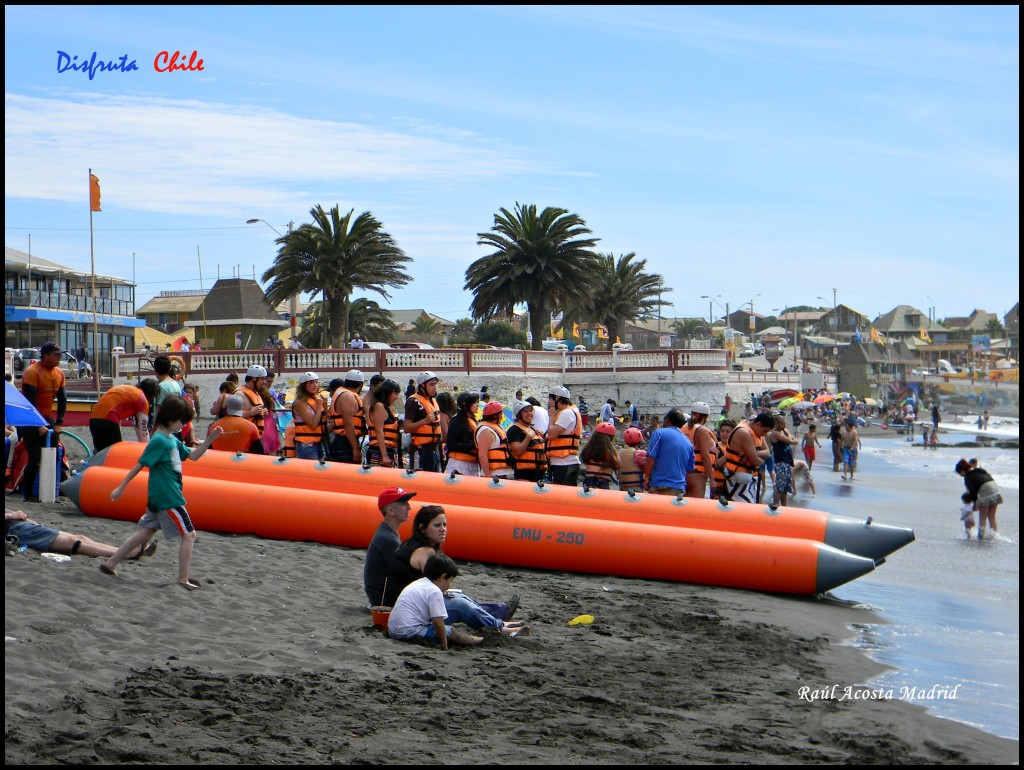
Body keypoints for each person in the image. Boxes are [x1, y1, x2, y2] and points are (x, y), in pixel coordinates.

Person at [102, 396, 224, 590]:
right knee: (189, 535)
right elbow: (140, 464)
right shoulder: (160, 440)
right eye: (181, 421)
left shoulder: (171, 440)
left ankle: (110, 563)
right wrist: (121, 487)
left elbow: (193, 455)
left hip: (160, 497)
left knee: (146, 531)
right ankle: (183, 579)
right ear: (171, 418)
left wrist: (210, 439)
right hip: (168, 497)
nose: (183, 425)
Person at [384, 505, 520, 630]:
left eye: (444, 524)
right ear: (423, 528)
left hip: (408, 603)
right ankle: (499, 626)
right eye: (437, 525)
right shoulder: (424, 552)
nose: (443, 529)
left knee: (458, 596)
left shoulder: (415, 544)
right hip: (408, 609)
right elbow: (434, 587)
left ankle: (500, 613)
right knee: (459, 604)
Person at [387, 554, 486, 649]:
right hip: (410, 632)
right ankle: (479, 641)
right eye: (450, 580)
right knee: (450, 631)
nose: (450, 584)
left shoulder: (418, 583)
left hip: (393, 630)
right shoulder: (434, 591)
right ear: (443, 577)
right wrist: (444, 644)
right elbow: (438, 621)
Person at [18, 341, 67, 502]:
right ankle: (28, 495)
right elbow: (29, 402)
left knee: (54, 452)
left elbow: (62, 399)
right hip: (29, 419)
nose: (59, 357)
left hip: (47, 417)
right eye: (56, 355)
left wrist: (59, 422)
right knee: (36, 455)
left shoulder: (59, 373)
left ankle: (53, 489)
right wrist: (38, 424)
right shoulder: (33, 372)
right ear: (46, 356)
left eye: (60, 354)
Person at [6, 508, 155, 560]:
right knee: (73, 542)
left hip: (21, 525)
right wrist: (12, 516)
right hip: (16, 530)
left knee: (81, 537)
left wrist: (17, 515)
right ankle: (124, 554)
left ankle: (124, 550)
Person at [364, 486, 415, 607]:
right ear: (391, 511)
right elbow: (406, 573)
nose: (409, 507)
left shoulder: (386, 533)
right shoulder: (389, 539)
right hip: (383, 602)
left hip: (380, 598)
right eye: (404, 503)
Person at [89, 380, 159, 451]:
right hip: (108, 420)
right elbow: (143, 430)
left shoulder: (129, 390)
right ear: (151, 395)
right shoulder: (142, 399)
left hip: (93, 419)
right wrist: (148, 451)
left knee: (100, 453)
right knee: (114, 453)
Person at [722, 412, 774, 503]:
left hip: (746, 478)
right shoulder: (744, 432)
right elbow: (756, 462)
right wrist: (758, 459)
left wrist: (753, 454)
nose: (765, 434)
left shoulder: (757, 433)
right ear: (758, 424)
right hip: (737, 477)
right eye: (765, 431)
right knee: (743, 508)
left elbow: (767, 452)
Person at [643, 409, 694, 496]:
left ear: (667, 420)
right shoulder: (688, 443)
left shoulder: (659, 433)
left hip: (659, 485)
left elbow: (651, 457)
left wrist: (646, 478)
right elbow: (689, 469)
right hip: (678, 489)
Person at [404, 372, 443, 473]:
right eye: (431, 385)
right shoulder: (413, 401)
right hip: (421, 451)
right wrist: (425, 421)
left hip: (434, 450)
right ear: (422, 386)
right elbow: (406, 428)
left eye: (435, 384)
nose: (434, 387)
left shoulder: (433, 401)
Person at [955, 459, 1002, 540]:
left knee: (983, 516)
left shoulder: (968, 477)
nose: (960, 475)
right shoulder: (979, 470)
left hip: (985, 489)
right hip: (994, 487)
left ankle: (981, 536)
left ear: (962, 471)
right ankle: (994, 535)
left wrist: (975, 503)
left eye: (959, 473)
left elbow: (973, 492)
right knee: (992, 516)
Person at [287, 372, 328, 460]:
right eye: (311, 383)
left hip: (319, 442)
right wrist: (320, 406)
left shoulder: (315, 401)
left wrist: (324, 406)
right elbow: (313, 424)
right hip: (307, 445)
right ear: (304, 386)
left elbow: (323, 420)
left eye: (316, 382)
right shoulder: (300, 403)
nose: (315, 385)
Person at [546, 386, 582, 486]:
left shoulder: (567, 413)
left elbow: (552, 435)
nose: (549, 402)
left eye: (550, 398)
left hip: (565, 463)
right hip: (563, 463)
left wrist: (552, 416)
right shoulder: (569, 412)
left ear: (557, 398)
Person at [681, 402, 716, 499]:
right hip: (697, 475)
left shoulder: (682, 428)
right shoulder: (701, 430)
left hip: (682, 474)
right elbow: (705, 456)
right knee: (694, 508)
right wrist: (712, 479)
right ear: (705, 417)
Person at [506, 400, 547, 483]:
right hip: (524, 474)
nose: (529, 414)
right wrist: (528, 437)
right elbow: (517, 451)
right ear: (519, 415)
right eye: (525, 411)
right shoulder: (514, 430)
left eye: (531, 411)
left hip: (539, 474)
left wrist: (545, 437)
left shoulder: (532, 429)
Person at [366, 379, 403, 468]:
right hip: (378, 452)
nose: (397, 397)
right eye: (395, 394)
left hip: (386, 450)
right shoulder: (379, 406)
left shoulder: (387, 408)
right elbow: (379, 431)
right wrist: (384, 455)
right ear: (387, 393)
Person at [444, 392, 481, 477]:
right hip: (459, 464)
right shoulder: (456, 420)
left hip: (473, 464)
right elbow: (451, 444)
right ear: (466, 405)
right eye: (474, 403)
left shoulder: (473, 420)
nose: (477, 405)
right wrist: (473, 445)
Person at [476, 402, 513, 480]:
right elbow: (482, 455)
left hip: (502, 474)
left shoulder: (494, 428)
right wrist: (488, 477)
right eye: (501, 414)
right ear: (496, 416)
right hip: (494, 475)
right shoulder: (486, 431)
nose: (502, 417)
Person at [237, 365, 269, 453]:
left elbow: (255, 412)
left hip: (256, 438)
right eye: (262, 379)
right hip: (245, 438)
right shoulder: (240, 394)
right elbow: (231, 416)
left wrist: (262, 412)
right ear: (254, 379)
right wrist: (251, 413)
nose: (264, 382)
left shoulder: (255, 393)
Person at [579, 422, 620, 489]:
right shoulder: (610, 451)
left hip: (588, 483)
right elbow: (617, 465)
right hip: (602, 483)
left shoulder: (589, 450)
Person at [769, 415, 798, 506]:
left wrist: (788, 437)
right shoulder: (775, 433)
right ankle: (776, 504)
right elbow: (789, 441)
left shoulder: (783, 432)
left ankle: (784, 506)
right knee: (779, 486)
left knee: (785, 487)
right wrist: (788, 435)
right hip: (780, 462)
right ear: (776, 424)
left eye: (785, 424)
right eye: (782, 424)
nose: (784, 426)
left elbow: (795, 441)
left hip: (787, 462)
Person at [617, 427, 647, 492]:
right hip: (636, 490)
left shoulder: (619, 453)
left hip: (622, 490)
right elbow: (649, 470)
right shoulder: (640, 453)